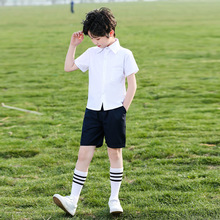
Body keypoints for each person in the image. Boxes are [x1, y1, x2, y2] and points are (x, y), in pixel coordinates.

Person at [53, 7, 139, 216]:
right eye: (92, 38)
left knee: (114, 154)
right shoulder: (92, 53)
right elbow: (69, 67)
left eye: (97, 38)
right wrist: (73, 46)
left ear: (110, 33)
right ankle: (72, 200)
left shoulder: (125, 54)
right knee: (83, 154)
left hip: (114, 111)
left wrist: (122, 111)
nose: (95, 42)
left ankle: (114, 199)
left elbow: (132, 85)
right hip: (92, 111)